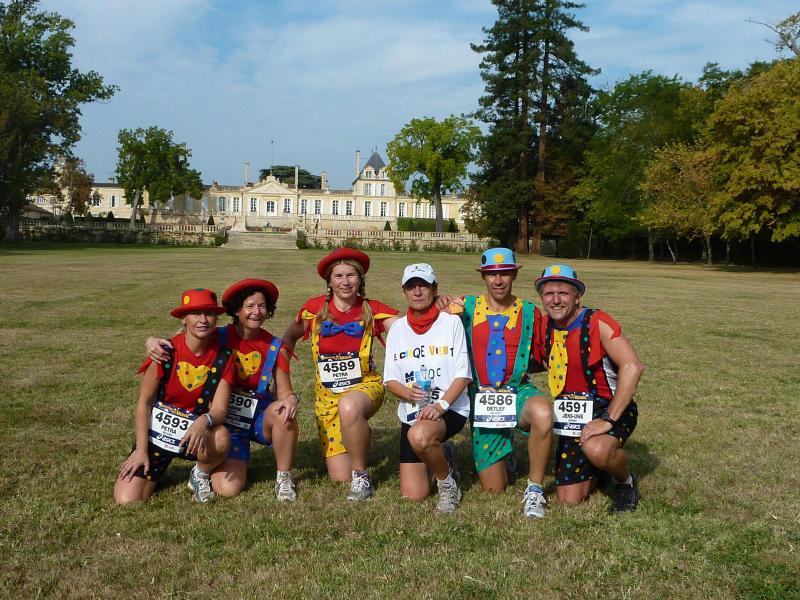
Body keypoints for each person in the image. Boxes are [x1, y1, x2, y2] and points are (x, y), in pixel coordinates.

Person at [145, 279, 300, 501]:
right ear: (236, 310)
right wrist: (151, 341)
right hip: (223, 423)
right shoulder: (217, 335)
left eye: (262, 306)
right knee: (228, 489)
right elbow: (183, 339)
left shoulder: (275, 347)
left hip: (256, 419)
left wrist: (291, 399)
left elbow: (285, 391)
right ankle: (206, 468)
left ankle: (283, 477)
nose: (256, 312)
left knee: (284, 413)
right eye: (249, 306)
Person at [438, 248, 553, 518]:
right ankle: (458, 454)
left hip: (517, 390)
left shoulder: (530, 312)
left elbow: (542, 357)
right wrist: (438, 300)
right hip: (481, 398)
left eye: (504, 274)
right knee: (494, 489)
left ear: (514, 275)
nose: (498, 280)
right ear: (484, 277)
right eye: (492, 275)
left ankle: (535, 489)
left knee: (542, 412)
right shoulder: (465, 307)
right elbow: (430, 322)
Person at [282, 248, 398, 501]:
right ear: (329, 282)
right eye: (339, 276)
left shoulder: (372, 309)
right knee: (339, 475)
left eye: (351, 275)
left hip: (365, 386)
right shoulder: (314, 310)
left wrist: (437, 304)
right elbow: (288, 338)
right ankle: (359, 435)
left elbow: (405, 330)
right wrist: (282, 382)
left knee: (350, 406)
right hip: (327, 397)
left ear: (360, 279)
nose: (345, 282)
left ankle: (362, 476)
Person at [531, 264, 644, 513]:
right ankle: (599, 468)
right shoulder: (545, 326)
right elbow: (542, 361)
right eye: (549, 294)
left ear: (577, 296)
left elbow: (633, 366)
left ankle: (625, 482)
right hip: (573, 416)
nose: (556, 300)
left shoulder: (597, 322)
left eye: (563, 293)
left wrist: (607, 419)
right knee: (569, 498)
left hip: (611, 409)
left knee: (597, 448)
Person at [114, 288, 233, 504]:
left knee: (221, 436)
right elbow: (144, 402)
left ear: (216, 319)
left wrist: (204, 421)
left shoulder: (224, 357)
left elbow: (219, 409)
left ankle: (200, 473)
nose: (203, 319)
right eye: (195, 313)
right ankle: (154, 470)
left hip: (195, 437)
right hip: (157, 437)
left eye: (209, 313)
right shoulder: (164, 352)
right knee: (127, 499)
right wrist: (141, 449)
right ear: (183, 319)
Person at [383, 263, 471, 513]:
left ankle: (447, 484)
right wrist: (408, 394)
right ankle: (443, 455)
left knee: (420, 435)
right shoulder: (397, 329)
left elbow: (463, 376)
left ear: (435, 288)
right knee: (414, 494)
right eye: (411, 286)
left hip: (449, 407)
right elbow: (390, 380)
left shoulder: (451, 322)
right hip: (413, 412)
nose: (418, 291)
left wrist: (439, 406)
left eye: (423, 285)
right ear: (404, 291)